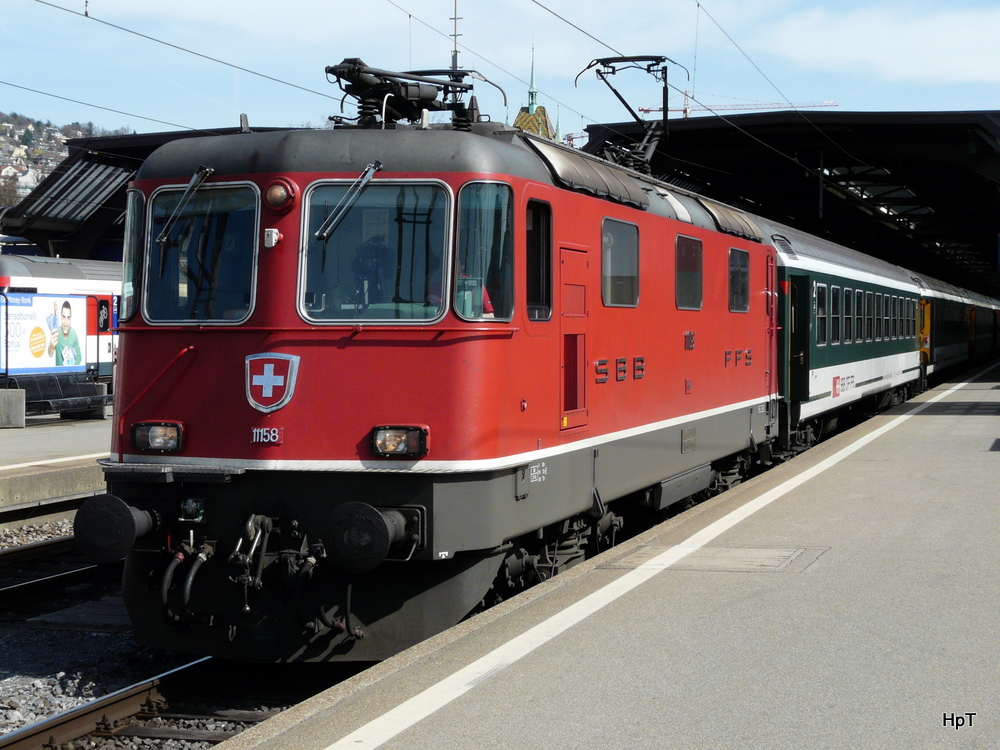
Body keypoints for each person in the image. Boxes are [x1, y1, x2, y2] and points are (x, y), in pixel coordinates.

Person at [48, 300, 82, 366]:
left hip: (70, 375)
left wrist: (72, 368)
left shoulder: (73, 334)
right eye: (63, 317)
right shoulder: (56, 332)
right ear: (60, 316)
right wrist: (52, 346)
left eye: (68, 318)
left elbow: (79, 356)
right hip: (59, 374)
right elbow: (50, 354)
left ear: (71, 318)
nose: (66, 322)